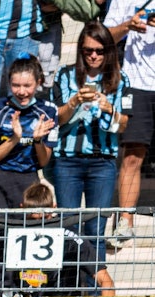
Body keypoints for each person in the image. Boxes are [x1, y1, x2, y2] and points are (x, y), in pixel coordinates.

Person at [50, 23, 129, 264]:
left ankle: (93, 291)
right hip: (67, 162)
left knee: (95, 230)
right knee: (68, 230)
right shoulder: (64, 75)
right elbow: (58, 118)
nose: (93, 56)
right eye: (87, 51)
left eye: (99, 50)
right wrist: (74, 101)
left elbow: (124, 124)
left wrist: (109, 108)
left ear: (108, 51)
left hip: (102, 162)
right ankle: (67, 291)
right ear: (80, 51)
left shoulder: (120, 79)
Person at [104, 0, 153, 246]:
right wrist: (128, 26)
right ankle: (125, 221)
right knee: (133, 155)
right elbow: (103, 38)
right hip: (137, 83)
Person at [0, 55, 57, 210]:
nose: (21, 92)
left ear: (39, 82)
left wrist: (37, 141)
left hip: (28, 178)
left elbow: (43, 162)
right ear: (9, 83)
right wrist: (14, 139)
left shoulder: (48, 111)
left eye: (27, 85)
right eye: (16, 85)